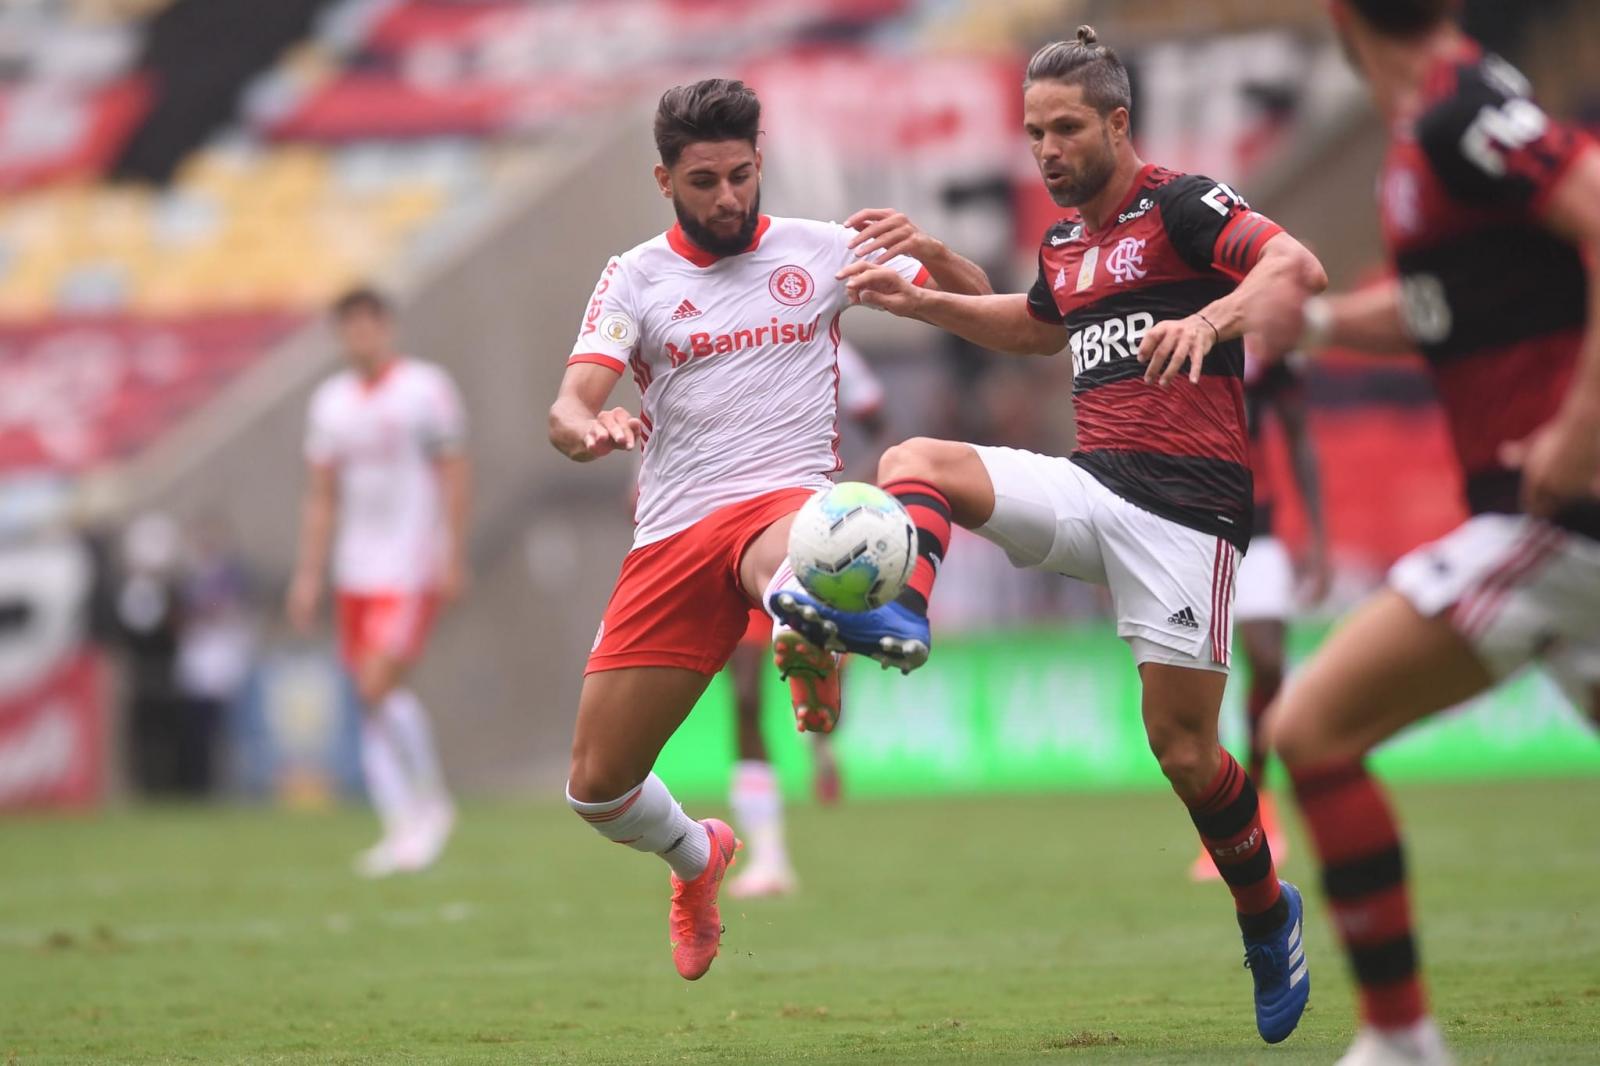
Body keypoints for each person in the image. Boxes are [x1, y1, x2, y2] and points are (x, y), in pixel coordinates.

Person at [771, 28, 1329, 1044]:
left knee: (1185, 751)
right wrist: (927, 294)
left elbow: (1298, 267)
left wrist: (1213, 323)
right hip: (1091, 485)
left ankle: (1265, 914)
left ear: (1117, 123)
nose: (1046, 150)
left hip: (1185, 515)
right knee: (916, 460)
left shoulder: (1184, 206)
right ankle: (898, 609)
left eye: (1065, 127)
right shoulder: (1066, 241)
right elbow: (1036, 323)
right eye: (1032, 133)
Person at [550, 77, 991, 981]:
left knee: (799, 553)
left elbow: (987, 311)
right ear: (664, 179)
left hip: (783, 504)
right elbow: (567, 405)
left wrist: (935, 254)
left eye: (742, 175)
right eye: (704, 180)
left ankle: (812, 631)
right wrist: (589, 429)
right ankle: (701, 857)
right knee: (595, 788)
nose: (728, 197)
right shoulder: (635, 276)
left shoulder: (824, 251)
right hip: (672, 537)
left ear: (761, 163)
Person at [1244, 2, 1600, 1063]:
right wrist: (1311, 324)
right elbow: (1444, 305)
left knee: (1310, 730)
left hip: (1557, 523)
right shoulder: (1438, 126)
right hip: (1553, 529)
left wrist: (1581, 426)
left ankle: (1399, 1041)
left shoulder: (1461, 112)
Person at [287, 288, 470, 878]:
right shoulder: (330, 404)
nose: (361, 336)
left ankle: (432, 806)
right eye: (350, 327)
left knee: (376, 686)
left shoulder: (426, 389)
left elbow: (454, 472)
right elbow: (321, 496)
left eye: (369, 324)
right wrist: (309, 574)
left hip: (410, 562)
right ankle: (401, 825)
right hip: (355, 568)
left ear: (386, 327)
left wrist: (451, 550)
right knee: (370, 702)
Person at [727, 339, 887, 899]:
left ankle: (823, 743)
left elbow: (879, 425)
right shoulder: (712, 347)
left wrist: (853, 497)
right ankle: (769, 858)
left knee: (817, 684)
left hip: (813, 536)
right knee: (745, 698)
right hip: (734, 537)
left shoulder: (832, 349)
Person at [1190, 347, 1328, 880]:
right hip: (1188, 524)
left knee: (1268, 663)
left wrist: (1318, 537)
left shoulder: (1266, 352)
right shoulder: (1170, 325)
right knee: (1199, 676)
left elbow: (1297, 437)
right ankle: (1222, 825)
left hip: (1258, 527)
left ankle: (1262, 798)